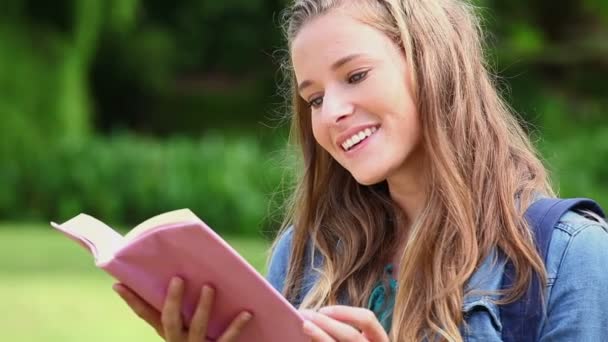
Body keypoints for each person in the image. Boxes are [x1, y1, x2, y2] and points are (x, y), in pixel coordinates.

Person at [113, 0, 608, 341]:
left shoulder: (570, 258)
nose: (331, 114)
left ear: (433, 63)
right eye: (315, 98)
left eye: (355, 76)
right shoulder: (304, 256)